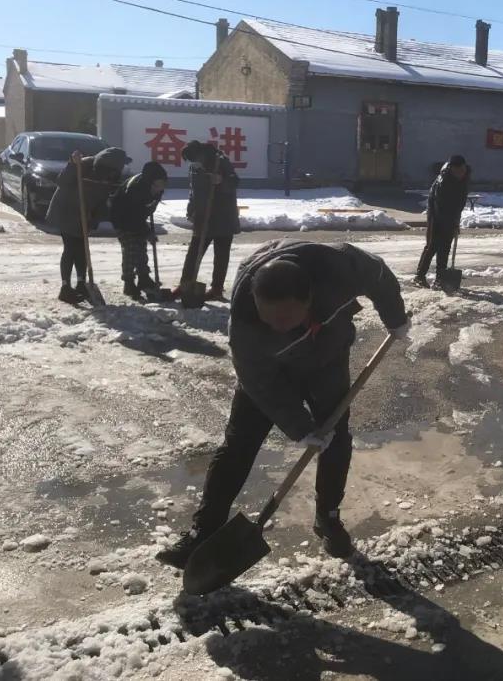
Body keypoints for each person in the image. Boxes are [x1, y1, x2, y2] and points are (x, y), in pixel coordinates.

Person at [156, 240, 411, 569]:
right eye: (269, 317)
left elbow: (378, 275)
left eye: (286, 317)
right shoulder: (246, 322)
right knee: (239, 443)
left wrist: (395, 318)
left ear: (309, 299)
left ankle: (328, 518)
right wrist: (300, 428)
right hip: (269, 370)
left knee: (335, 437)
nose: (276, 325)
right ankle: (204, 530)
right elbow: (258, 382)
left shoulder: (338, 268)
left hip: (326, 355)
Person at [46, 147, 128, 304]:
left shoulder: (111, 175)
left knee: (82, 249)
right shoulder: (82, 165)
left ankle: (81, 284)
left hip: (85, 215)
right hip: (66, 210)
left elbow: (103, 200)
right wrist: (72, 164)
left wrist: (95, 219)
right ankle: (65, 288)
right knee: (71, 247)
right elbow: (61, 181)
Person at [178, 141, 240, 302]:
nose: (194, 163)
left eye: (194, 159)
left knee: (221, 255)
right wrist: (191, 210)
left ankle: (216, 289)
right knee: (193, 252)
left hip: (223, 216)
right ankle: (185, 284)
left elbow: (234, 182)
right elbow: (193, 191)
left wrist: (221, 180)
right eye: (191, 161)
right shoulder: (194, 167)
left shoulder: (221, 161)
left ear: (201, 154)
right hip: (202, 216)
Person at [110, 161, 168, 300]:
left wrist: (146, 226)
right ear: (149, 182)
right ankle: (129, 283)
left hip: (137, 218)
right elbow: (134, 215)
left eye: (163, 185)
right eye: (157, 185)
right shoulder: (135, 189)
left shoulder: (156, 188)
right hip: (122, 218)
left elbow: (145, 210)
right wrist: (147, 232)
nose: (160, 189)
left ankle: (144, 278)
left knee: (141, 247)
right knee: (131, 249)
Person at [414, 155, 470, 288]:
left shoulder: (463, 180)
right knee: (432, 246)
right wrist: (448, 225)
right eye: (458, 171)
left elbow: (458, 204)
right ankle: (419, 277)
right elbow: (441, 206)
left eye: (462, 170)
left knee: (445, 249)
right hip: (436, 218)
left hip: (451, 218)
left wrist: (455, 222)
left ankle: (440, 278)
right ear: (451, 169)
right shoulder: (443, 182)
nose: (461, 173)